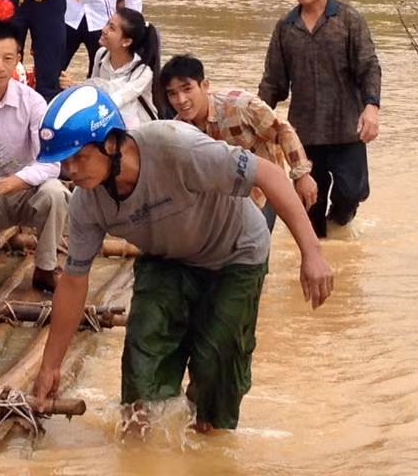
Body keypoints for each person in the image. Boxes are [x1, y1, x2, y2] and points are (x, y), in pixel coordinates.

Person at [30, 85, 334, 432]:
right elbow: (73, 281)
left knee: (218, 366)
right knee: (143, 357)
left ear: (111, 143)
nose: (71, 171)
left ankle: (208, 439)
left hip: (235, 255)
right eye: (63, 163)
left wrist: (311, 253)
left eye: (79, 157)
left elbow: (270, 175)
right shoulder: (87, 203)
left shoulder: (176, 146)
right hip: (167, 259)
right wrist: (50, 366)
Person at [258, 0, 381, 239]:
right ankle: (324, 254)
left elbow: (369, 67)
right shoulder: (285, 28)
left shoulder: (349, 20)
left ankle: (340, 225)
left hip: (346, 130)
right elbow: (273, 81)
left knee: (352, 194)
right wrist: (257, 120)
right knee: (309, 210)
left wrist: (371, 106)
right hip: (304, 136)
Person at [162, 54, 317, 231]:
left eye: (187, 89)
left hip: (261, 193)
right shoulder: (178, 131)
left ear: (205, 86)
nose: (181, 100)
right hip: (221, 203)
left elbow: (283, 131)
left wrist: (301, 175)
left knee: (255, 250)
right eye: (172, 94)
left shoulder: (240, 106)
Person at [0, 20, 69, 292]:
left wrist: (14, 181)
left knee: (55, 192)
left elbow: (51, 161)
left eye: (8, 58)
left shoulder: (33, 101)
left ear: (18, 60)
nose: (0, 67)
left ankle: (46, 268)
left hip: (20, 192)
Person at [61, 7, 160, 128]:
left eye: (111, 28)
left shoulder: (143, 72)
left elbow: (117, 100)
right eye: (107, 24)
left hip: (138, 131)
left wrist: (77, 90)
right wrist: (73, 87)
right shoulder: (101, 55)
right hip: (109, 122)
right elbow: (94, 88)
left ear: (126, 42)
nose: (103, 30)